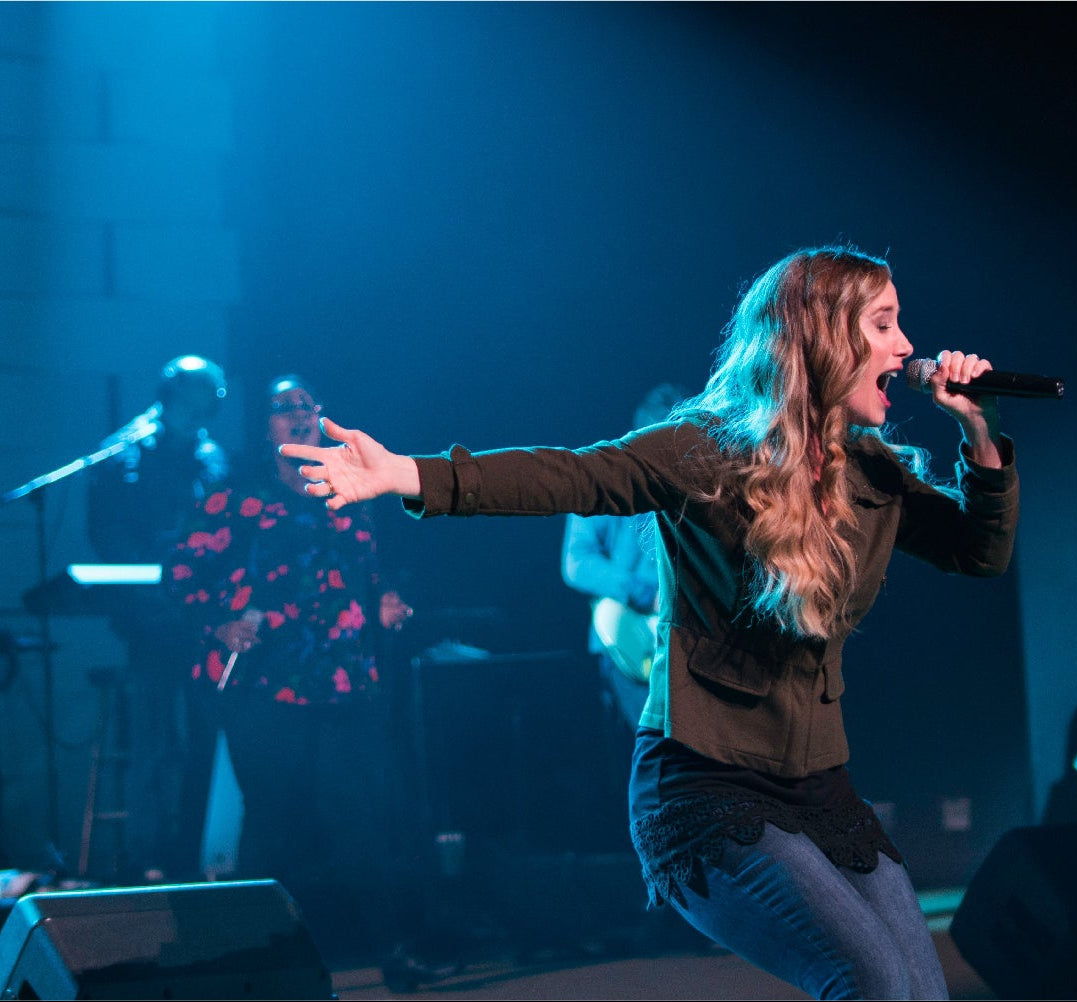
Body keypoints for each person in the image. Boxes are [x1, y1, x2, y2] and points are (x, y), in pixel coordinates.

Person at [281, 245, 1018, 1000]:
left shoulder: (874, 473)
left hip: (819, 787)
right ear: (822, 337)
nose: (907, 346)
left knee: (920, 994)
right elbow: (570, 474)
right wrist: (406, 472)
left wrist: (981, 434)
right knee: (871, 982)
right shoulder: (704, 451)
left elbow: (979, 552)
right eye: (885, 324)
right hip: (703, 783)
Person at [166, 374, 416, 975]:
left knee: (359, 815)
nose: (299, 416)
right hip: (266, 686)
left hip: (344, 680)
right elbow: (179, 576)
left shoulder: (348, 491)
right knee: (274, 823)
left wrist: (386, 599)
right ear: (265, 424)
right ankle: (249, 965)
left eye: (308, 406)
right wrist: (224, 624)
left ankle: (394, 952)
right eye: (284, 409)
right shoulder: (237, 499)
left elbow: (371, 570)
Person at [86, 354, 230, 882]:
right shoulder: (125, 453)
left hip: (203, 625)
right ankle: (147, 859)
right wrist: (164, 580)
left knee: (206, 738)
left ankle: (196, 851)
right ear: (175, 395)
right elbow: (109, 535)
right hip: (150, 620)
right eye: (202, 397)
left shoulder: (211, 456)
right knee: (154, 743)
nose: (209, 410)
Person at [561, 382, 688, 732]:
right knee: (655, 753)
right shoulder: (608, 481)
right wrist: (645, 594)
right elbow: (576, 563)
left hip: (687, 643)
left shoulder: (697, 487)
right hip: (630, 642)